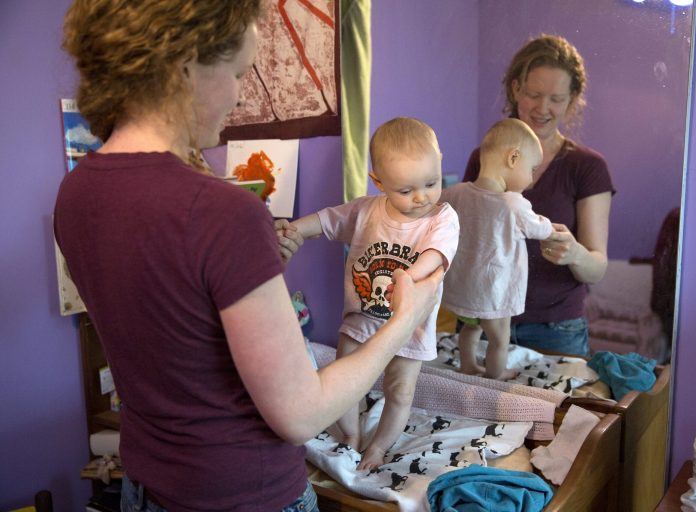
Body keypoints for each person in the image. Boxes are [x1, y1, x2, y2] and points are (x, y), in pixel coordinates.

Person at [55, 2, 444, 511]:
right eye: (238, 73)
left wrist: (249, 271)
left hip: (148, 486)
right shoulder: (221, 210)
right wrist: (406, 318)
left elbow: (175, 321)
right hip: (243, 495)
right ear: (188, 64)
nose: (241, 95)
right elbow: (302, 416)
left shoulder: (77, 191)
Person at [285, 117, 459, 470]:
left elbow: (436, 255)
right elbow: (326, 220)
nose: (421, 197)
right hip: (361, 319)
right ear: (378, 181)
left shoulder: (442, 218)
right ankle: (350, 434)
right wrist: (296, 230)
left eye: (431, 183)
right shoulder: (365, 210)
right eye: (406, 191)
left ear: (440, 162)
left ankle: (379, 445)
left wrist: (407, 279)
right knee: (346, 379)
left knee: (400, 389)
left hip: (411, 325)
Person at [463, 34, 615, 357]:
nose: (543, 108)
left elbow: (597, 268)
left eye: (556, 99)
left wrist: (575, 253)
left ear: (572, 100)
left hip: (555, 331)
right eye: (534, 94)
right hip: (482, 320)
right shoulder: (484, 158)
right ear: (516, 88)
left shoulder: (587, 167)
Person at [441, 119, 553, 380]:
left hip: (465, 287)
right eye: (532, 169)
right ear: (513, 158)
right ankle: (495, 374)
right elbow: (539, 229)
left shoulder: (456, 193)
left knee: (469, 329)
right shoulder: (514, 203)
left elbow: (432, 206)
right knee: (499, 338)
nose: (531, 178)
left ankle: (467, 365)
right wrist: (552, 228)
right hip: (495, 290)